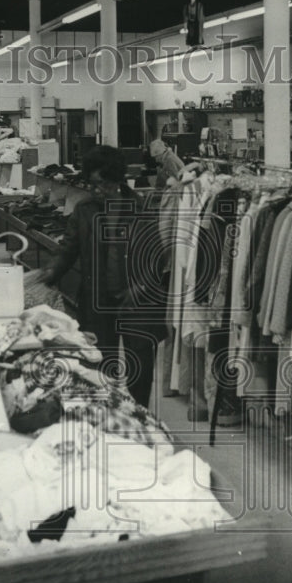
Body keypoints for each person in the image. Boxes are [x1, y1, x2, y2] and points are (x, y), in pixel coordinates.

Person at [38, 146, 169, 408]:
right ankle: (105, 416)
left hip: (137, 302)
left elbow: (156, 259)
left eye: (102, 184)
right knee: (99, 364)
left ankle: (138, 415)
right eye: (92, 184)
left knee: (139, 367)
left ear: (117, 179)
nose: (97, 190)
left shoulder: (141, 209)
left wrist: (139, 288)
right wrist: (48, 274)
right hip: (99, 300)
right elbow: (68, 248)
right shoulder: (85, 211)